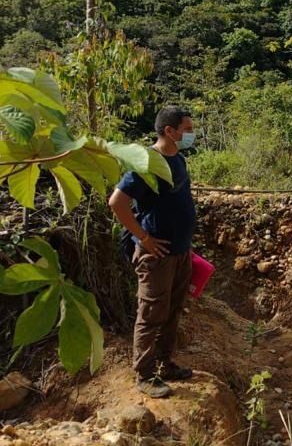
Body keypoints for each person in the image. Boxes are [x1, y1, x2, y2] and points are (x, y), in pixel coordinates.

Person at [108, 106, 197, 398]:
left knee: (172, 310)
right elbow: (116, 202)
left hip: (180, 252)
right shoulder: (145, 164)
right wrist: (143, 238)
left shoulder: (179, 160)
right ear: (170, 132)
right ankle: (144, 374)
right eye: (186, 129)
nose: (191, 134)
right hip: (156, 256)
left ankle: (165, 363)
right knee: (150, 313)